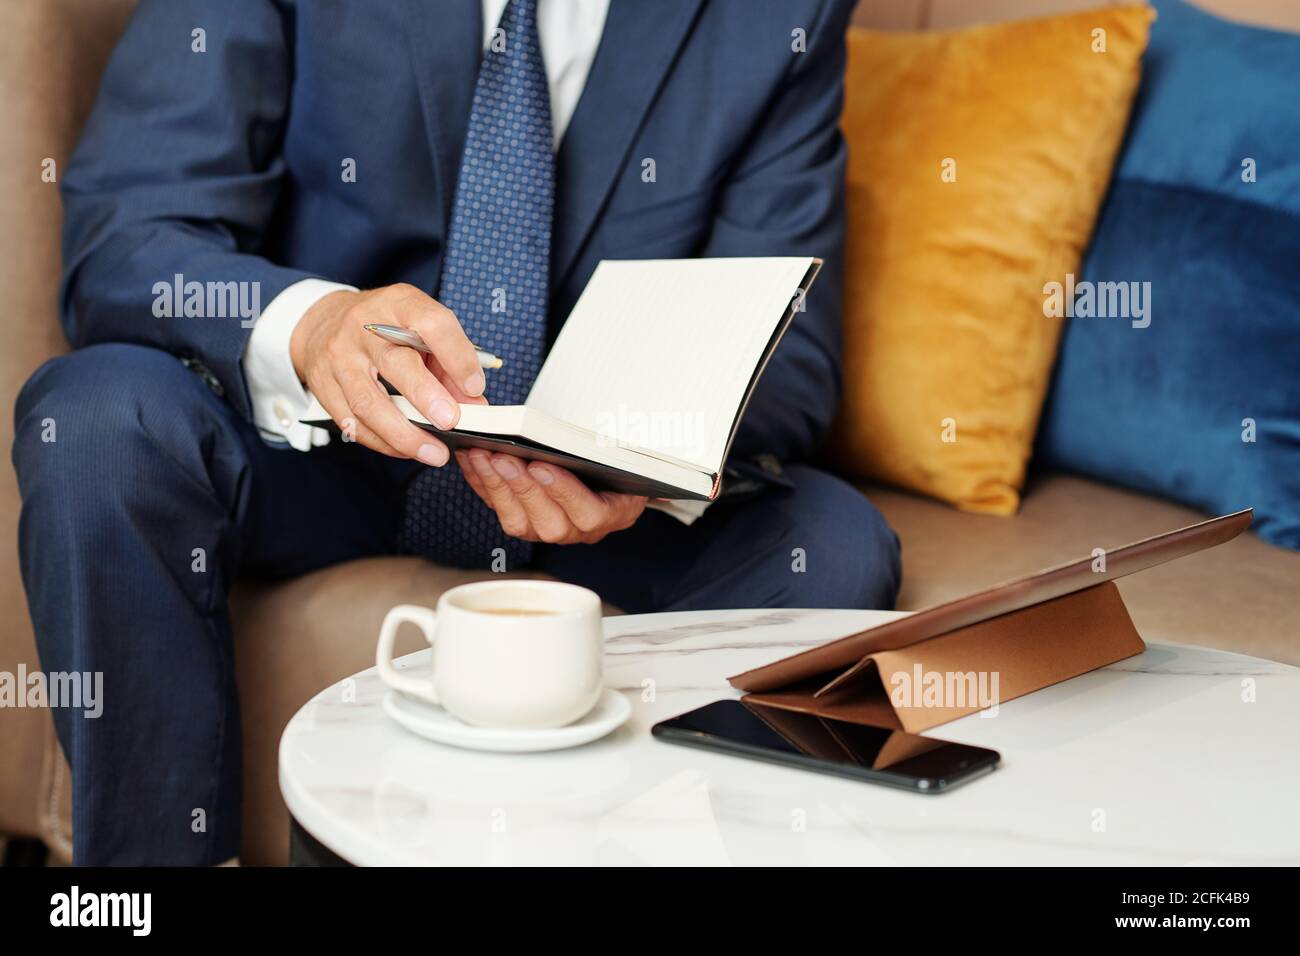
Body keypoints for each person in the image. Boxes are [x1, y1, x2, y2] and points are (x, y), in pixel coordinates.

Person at [12, 0, 899, 865]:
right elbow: (130, 233)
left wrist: (636, 448)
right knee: (96, 420)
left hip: (584, 488)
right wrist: (315, 327)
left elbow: (797, 361)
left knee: (832, 543)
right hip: (311, 453)